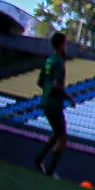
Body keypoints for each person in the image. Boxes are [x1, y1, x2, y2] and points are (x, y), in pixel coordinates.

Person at [33, 32, 73, 178]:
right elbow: (57, 85)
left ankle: (39, 159)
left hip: (45, 100)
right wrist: (69, 97)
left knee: (57, 133)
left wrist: (47, 90)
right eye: (65, 43)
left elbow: (40, 82)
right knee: (63, 138)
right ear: (61, 44)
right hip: (54, 103)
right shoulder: (59, 62)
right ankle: (49, 171)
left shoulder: (49, 60)